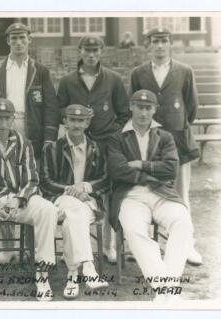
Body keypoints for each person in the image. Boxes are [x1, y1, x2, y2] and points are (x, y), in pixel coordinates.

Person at [0, 22, 59, 263]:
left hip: (30, 129)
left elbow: (51, 107)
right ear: (8, 41)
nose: (18, 42)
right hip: (3, 127)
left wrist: (48, 138)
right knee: (3, 184)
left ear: (29, 40)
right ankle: (8, 247)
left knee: (30, 186)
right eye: (13, 38)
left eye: (22, 37)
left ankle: (35, 247)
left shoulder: (40, 71)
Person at [0, 98, 58, 302]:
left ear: (13, 119)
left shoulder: (24, 143)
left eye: (7, 118)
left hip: (19, 201)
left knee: (48, 209)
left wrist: (18, 199)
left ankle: (42, 275)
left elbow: (32, 179)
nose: (3, 123)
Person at [107, 90, 194, 302]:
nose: (143, 113)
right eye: (139, 107)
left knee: (182, 221)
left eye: (148, 108)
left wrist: (142, 165)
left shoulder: (164, 136)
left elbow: (171, 169)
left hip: (162, 194)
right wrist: (151, 175)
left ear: (154, 110)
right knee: (135, 230)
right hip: (130, 196)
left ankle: (168, 287)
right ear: (131, 107)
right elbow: (118, 171)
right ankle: (165, 288)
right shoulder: (117, 137)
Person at [130, 27, 203, 266]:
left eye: (164, 41)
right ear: (148, 44)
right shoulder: (139, 73)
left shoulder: (184, 71)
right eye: (155, 41)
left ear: (170, 43)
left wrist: (177, 127)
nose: (159, 46)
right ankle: (152, 245)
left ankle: (186, 246)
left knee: (181, 195)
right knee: (151, 193)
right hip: (150, 144)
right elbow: (134, 106)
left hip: (179, 142)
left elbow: (191, 108)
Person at [57, 35, 130, 264]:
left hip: (105, 145)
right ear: (80, 51)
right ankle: (76, 248)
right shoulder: (68, 81)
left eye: (95, 50)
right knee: (75, 192)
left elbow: (124, 113)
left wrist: (111, 133)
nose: (91, 54)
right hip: (77, 144)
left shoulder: (114, 79)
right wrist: (75, 132)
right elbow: (60, 111)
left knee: (105, 193)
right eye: (87, 50)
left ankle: (108, 246)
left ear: (102, 51)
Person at [40, 104, 110, 299]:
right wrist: (70, 190)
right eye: (73, 120)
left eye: (81, 120)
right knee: (74, 208)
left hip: (88, 202)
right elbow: (45, 182)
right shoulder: (52, 148)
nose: (77, 125)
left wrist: (86, 187)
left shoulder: (96, 148)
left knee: (74, 217)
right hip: (60, 200)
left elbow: (106, 179)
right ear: (65, 122)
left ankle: (72, 275)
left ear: (87, 122)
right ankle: (88, 266)